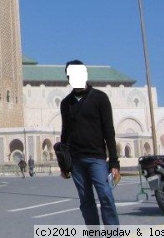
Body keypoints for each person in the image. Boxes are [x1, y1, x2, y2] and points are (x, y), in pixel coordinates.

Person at [59, 60, 120, 227]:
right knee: (86, 202)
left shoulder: (100, 98)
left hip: (97, 159)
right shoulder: (66, 103)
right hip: (76, 160)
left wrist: (114, 162)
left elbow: (109, 131)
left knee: (106, 195)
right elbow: (65, 133)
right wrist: (64, 165)